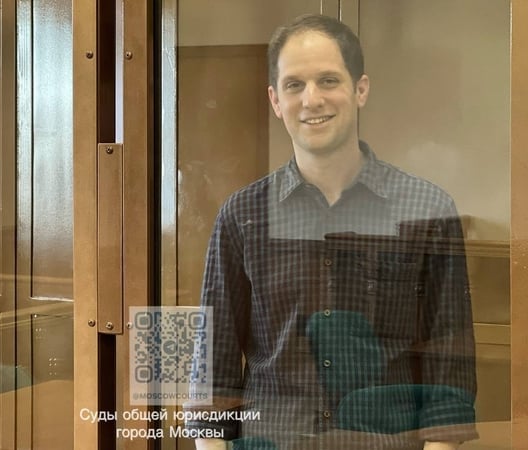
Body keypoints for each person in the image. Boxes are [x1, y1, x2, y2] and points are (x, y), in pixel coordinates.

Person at [186, 14, 476, 450]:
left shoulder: (427, 209)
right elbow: (212, 370)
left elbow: (448, 370)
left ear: (360, 90)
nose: (312, 99)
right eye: (294, 85)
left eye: (328, 80)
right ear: (275, 100)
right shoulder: (242, 215)